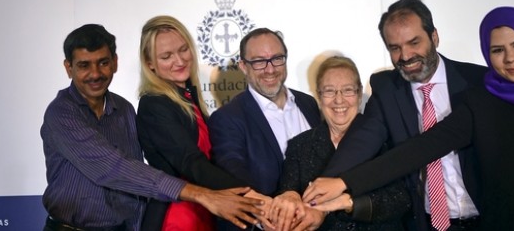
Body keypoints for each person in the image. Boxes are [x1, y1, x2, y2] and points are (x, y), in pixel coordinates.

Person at [304, 7, 514, 230]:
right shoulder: (487, 100)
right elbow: (418, 150)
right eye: (497, 50)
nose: (510, 58)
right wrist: (342, 183)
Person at [41, 24, 263, 231]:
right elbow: (114, 169)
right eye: (83, 65)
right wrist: (203, 195)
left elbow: (136, 180)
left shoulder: (124, 109)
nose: (96, 74)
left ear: (115, 62)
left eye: (103, 62)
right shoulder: (61, 113)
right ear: (68, 68)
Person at [310, 0, 486, 230]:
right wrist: (326, 186)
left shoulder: (479, 81)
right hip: (425, 224)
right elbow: (362, 141)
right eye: (395, 48)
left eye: (414, 42)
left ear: (434, 37)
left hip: (488, 219)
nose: (405, 56)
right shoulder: (386, 89)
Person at [136, 16, 273, 231]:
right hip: (178, 217)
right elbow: (191, 162)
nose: (179, 61)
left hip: (207, 209)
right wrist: (250, 195)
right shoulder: (154, 104)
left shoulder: (186, 96)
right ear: (150, 64)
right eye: (166, 56)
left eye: (183, 49)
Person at [270, 56, 412, 231]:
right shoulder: (299, 145)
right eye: (329, 91)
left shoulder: (387, 138)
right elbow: (288, 191)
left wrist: (349, 203)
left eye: (347, 90)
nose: (339, 100)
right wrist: (289, 198)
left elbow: (402, 200)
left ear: (359, 94)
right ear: (319, 96)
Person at [208, 28, 321, 230]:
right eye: (259, 61)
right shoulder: (227, 118)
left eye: (277, 58)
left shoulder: (309, 103)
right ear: (243, 66)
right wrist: (267, 216)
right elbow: (232, 174)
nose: (270, 69)